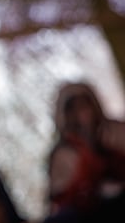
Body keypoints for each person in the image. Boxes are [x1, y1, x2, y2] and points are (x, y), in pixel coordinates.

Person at [45, 82, 125, 223]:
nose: (81, 113)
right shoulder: (63, 154)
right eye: (73, 108)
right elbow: (61, 196)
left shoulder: (116, 131)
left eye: (84, 104)